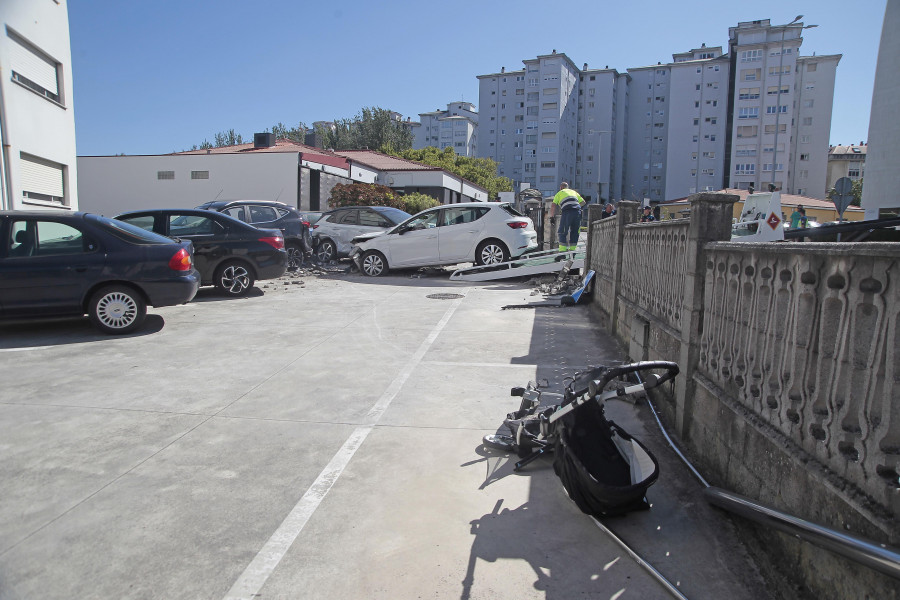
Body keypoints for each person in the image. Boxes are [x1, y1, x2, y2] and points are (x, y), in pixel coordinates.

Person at [550, 182, 585, 251]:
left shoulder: (559, 193)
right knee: (575, 232)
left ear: (561, 188)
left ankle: (562, 252)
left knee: (562, 231)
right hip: (577, 212)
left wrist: (552, 217)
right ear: (567, 187)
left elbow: (553, 206)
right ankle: (572, 251)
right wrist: (575, 206)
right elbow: (583, 202)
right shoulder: (574, 192)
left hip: (567, 212)